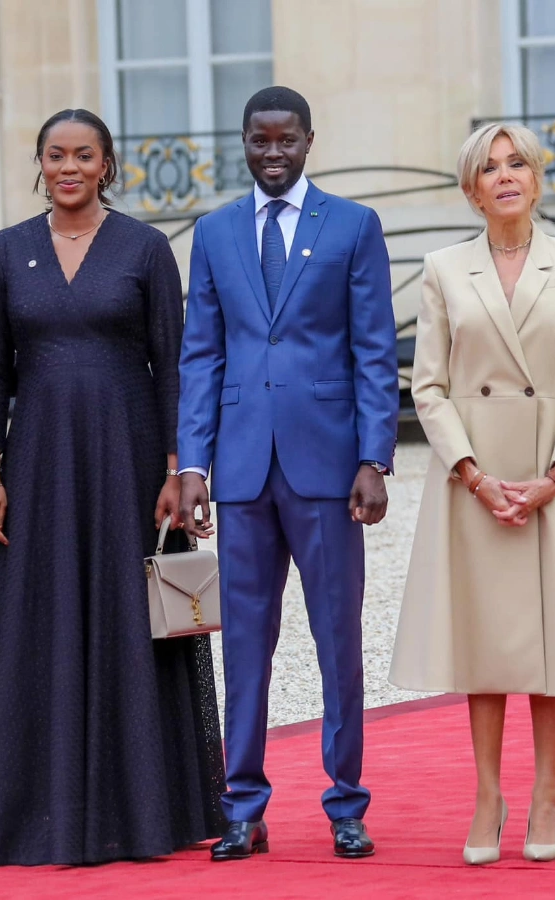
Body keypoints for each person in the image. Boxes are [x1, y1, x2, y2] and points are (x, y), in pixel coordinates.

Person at [388, 123, 555, 865]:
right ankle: (486, 795)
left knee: (548, 639)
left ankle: (545, 794)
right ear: (472, 190)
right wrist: (470, 472)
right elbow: (428, 385)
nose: (505, 176)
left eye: (517, 164)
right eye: (489, 168)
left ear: (537, 179)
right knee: (485, 642)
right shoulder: (443, 268)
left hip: (551, 472)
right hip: (476, 476)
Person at [0, 108, 226, 866]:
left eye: (85, 155)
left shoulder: (145, 248)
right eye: (56, 155)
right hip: (39, 461)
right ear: (40, 163)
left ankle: (151, 811)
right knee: (41, 623)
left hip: (130, 460)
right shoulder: (6, 252)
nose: (70, 167)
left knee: (136, 621)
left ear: (108, 166)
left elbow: (175, 364)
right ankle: (38, 817)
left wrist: (182, 468)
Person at [178, 86, 399, 861]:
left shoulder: (353, 226)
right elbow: (200, 354)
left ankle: (346, 802)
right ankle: (243, 804)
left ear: (309, 141)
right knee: (245, 640)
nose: (272, 153)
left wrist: (375, 457)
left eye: (286, 140)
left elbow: (374, 349)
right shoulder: (214, 232)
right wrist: (194, 463)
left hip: (330, 468)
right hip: (240, 471)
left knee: (338, 638)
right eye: (259, 140)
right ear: (243, 141)